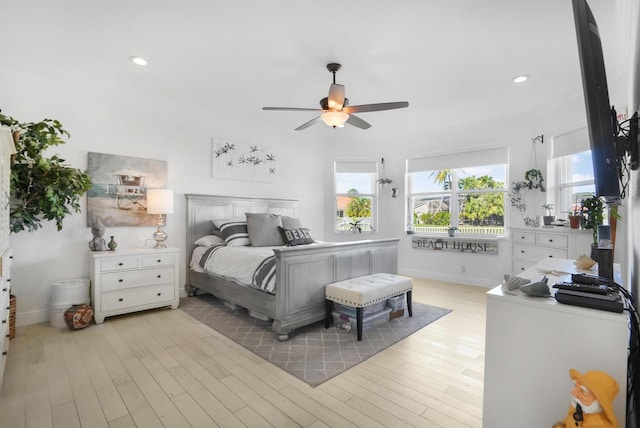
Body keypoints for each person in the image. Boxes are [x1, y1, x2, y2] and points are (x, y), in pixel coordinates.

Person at [553, 369, 619, 428]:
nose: (573, 392)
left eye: (583, 390)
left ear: (600, 401)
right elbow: (566, 422)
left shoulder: (601, 425)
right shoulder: (575, 409)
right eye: (575, 386)